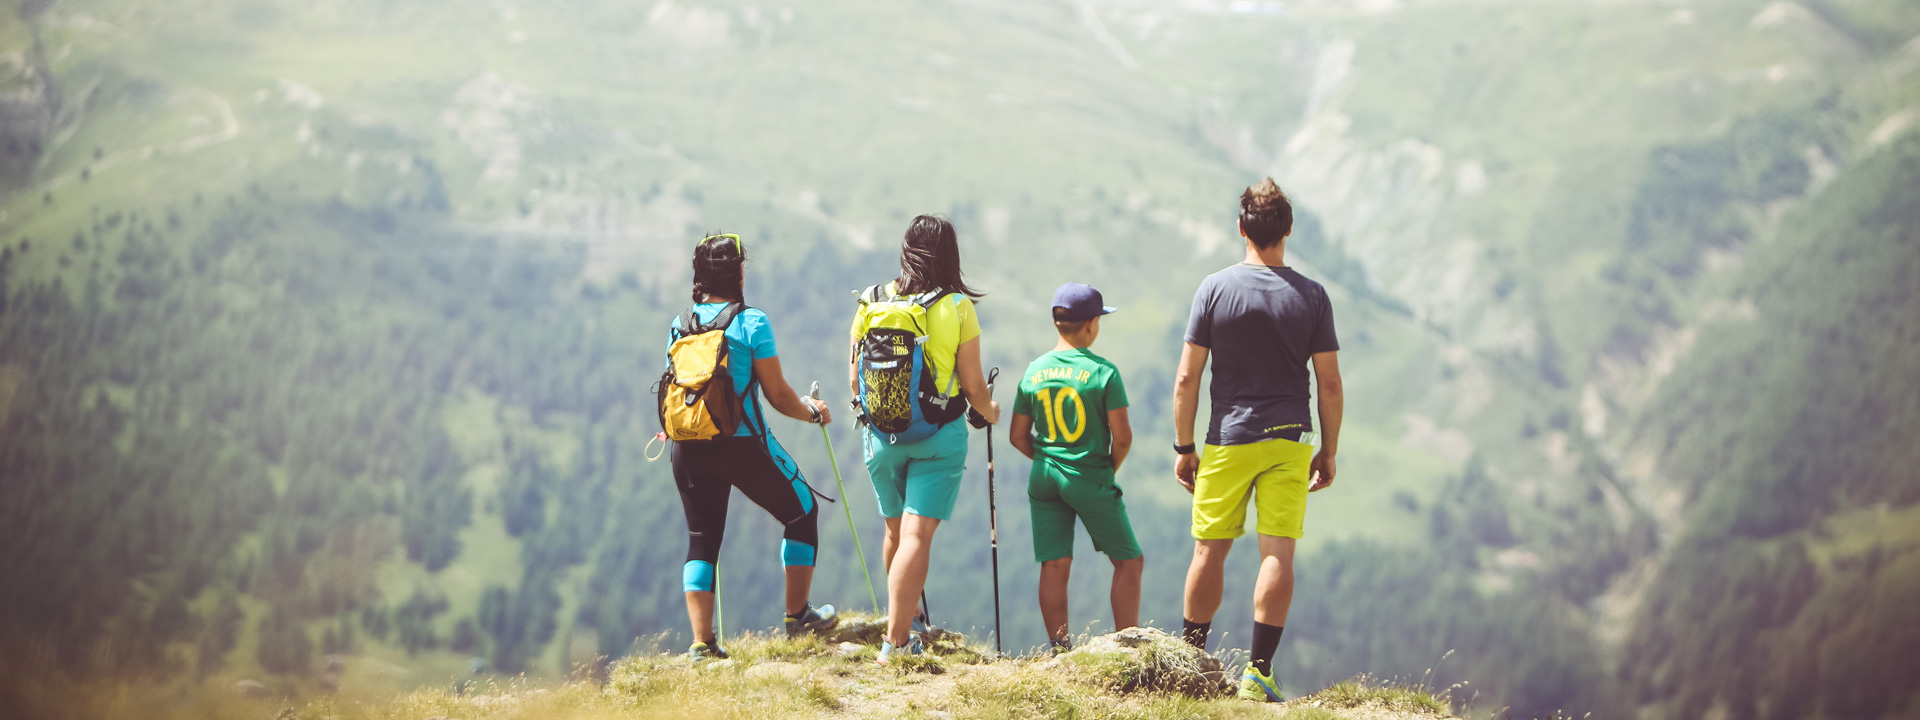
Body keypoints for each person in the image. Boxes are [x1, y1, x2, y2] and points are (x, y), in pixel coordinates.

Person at [1171, 179, 1344, 702]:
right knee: (1277, 554)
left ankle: (1192, 665)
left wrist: (1184, 448)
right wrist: (1329, 449)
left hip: (1228, 438)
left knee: (1209, 550)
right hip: (1290, 438)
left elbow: (1187, 378)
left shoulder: (1215, 289)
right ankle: (1258, 674)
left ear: (1241, 228)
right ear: (1288, 231)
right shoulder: (1312, 296)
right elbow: (1330, 383)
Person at [668, 233, 839, 661]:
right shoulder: (752, 322)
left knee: (701, 540)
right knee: (802, 512)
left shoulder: (681, 323)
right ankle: (798, 617)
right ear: (737, 272)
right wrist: (814, 411)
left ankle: (702, 645)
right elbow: (779, 397)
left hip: (688, 446)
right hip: (742, 447)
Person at [847, 215, 999, 663]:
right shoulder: (957, 307)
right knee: (917, 534)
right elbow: (972, 386)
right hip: (937, 437)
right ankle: (896, 642)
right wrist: (991, 412)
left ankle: (907, 619)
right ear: (949, 256)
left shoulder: (872, 299)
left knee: (895, 529)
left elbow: (854, 379)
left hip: (880, 437)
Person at [1008, 282, 1142, 654]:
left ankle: (1059, 648)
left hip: (1044, 475)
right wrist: (1105, 470)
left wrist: (1049, 456)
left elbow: (1018, 436)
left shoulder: (1034, 371)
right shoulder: (1104, 373)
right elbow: (1124, 438)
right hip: (1089, 476)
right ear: (1090, 325)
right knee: (1129, 561)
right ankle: (1127, 648)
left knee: (1054, 564)